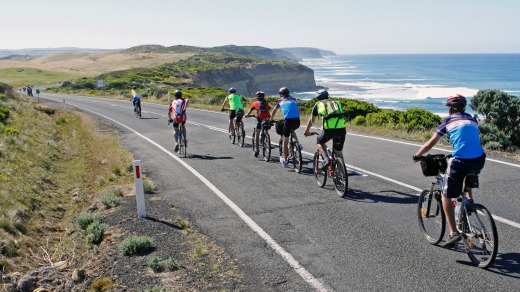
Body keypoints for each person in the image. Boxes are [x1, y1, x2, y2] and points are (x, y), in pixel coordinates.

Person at [413, 94, 486, 247]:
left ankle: (453, 233)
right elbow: (468, 141)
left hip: (460, 161)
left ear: (451, 109)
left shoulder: (448, 121)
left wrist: (418, 155)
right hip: (479, 158)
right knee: (467, 174)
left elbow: (429, 144)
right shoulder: (472, 119)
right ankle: (469, 201)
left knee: (446, 196)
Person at [303, 89, 346, 170]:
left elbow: (311, 120)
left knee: (319, 142)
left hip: (328, 130)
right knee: (338, 153)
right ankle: (341, 174)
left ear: (318, 97)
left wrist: (307, 131)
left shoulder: (318, 104)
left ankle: (326, 160)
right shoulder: (337, 102)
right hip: (341, 129)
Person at [270, 87, 301, 168]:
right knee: (292, 129)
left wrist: (271, 119)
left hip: (288, 121)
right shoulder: (294, 99)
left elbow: (274, 110)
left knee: (285, 140)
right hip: (297, 121)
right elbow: (299, 109)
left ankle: (285, 160)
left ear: (281, 94)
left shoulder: (280, 100)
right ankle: (298, 144)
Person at [245, 91, 272, 157]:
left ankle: (257, 150)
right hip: (267, 119)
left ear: (257, 97)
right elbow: (268, 111)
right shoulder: (266, 102)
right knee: (266, 129)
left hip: (260, 119)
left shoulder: (255, 103)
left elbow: (250, 110)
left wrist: (247, 115)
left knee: (257, 133)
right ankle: (266, 139)